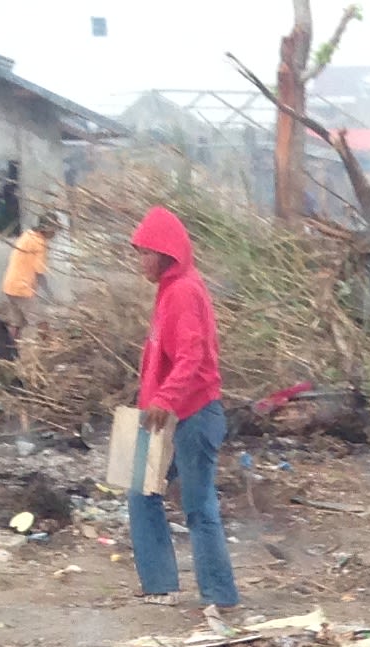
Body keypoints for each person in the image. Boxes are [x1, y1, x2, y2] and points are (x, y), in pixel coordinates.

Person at [128, 203, 237, 623]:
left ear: (166, 253)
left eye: (144, 253)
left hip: (192, 415)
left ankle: (220, 594)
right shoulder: (169, 289)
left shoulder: (183, 292)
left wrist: (163, 400)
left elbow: (193, 358)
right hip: (168, 414)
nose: (140, 262)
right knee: (141, 490)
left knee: (198, 505)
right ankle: (159, 585)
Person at [2, 207, 58, 345]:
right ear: (47, 229)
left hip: (10, 285)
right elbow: (39, 271)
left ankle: (9, 352)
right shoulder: (39, 243)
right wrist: (49, 293)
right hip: (23, 288)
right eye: (54, 229)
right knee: (41, 319)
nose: (55, 233)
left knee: (16, 322)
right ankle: (51, 348)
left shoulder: (27, 235)